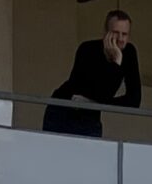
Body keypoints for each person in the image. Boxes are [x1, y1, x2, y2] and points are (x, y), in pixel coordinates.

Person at [46, 9, 139, 139]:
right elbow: (100, 92)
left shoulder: (129, 53)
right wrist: (116, 63)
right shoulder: (87, 49)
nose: (120, 39)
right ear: (105, 33)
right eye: (115, 33)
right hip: (63, 110)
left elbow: (134, 100)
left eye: (124, 34)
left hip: (90, 114)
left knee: (92, 149)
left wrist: (97, 103)